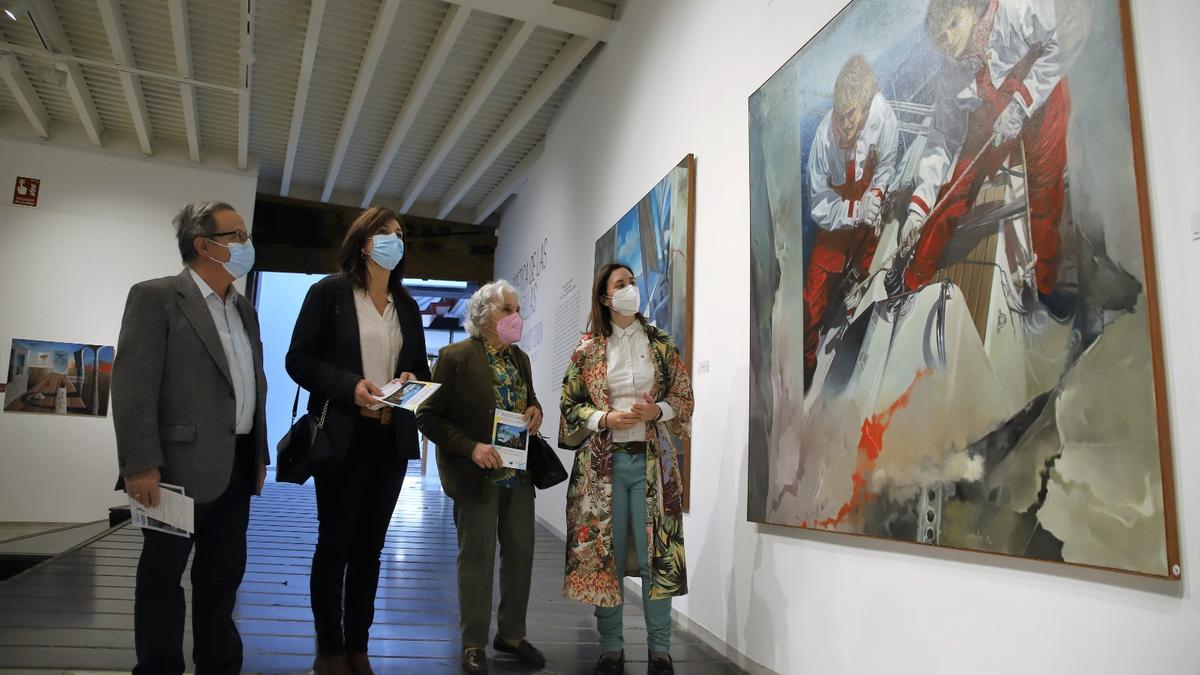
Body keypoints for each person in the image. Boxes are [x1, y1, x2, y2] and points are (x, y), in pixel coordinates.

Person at [112, 201, 268, 675]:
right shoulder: (156, 297)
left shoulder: (244, 310)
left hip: (236, 467)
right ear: (204, 245)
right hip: (174, 471)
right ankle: (158, 668)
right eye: (236, 235)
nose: (246, 244)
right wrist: (139, 463)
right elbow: (133, 385)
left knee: (222, 579)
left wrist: (258, 454)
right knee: (162, 576)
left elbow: (251, 385)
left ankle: (219, 665)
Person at [286, 207, 431, 675]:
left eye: (401, 235)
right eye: (386, 233)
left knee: (371, 548)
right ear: (363, 243)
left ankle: (359, 647)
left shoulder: (406, 306)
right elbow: (299, 360)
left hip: (390, 442)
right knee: (335, 545)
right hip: (342, 438)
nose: (396, 240)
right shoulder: (327, 294)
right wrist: (350, 385)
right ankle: (329, 648)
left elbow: (422, 374)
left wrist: (410, 379)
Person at [559, 263, 694, 675]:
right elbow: (569, 405)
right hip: (603, 470)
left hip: (654, 464)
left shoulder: (661, 344)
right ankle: (611, 649)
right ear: (605, 297)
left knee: (660, 557)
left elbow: (684, 398)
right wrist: (603, 418)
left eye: (633, 282)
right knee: (607, 558)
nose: (630, 288)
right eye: (621, 284)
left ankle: (660, 651)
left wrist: (658, 410)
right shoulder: (587, 349)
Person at [901, 0, 1070, 316]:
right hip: (991, 120)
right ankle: (912, 279)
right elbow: (942, 139)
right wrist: (917, 205)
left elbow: (1061, 39)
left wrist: (1021, 104)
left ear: (969, 7)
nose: (948, 39)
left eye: (953, 23)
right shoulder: (950, 77)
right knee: (953, 195)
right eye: (939, 36)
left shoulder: (1016, 11)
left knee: (1045, 196)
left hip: (1042, 106)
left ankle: (1045, 288)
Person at [416, 280, 546, 675]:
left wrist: (535, 411)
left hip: (518, 473)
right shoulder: (456, 356)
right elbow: (427, 415)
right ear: (486, 314)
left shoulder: (519, 359)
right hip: (477, 475)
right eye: (509, 309)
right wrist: (471, 447)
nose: (516, 316)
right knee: (477, 558)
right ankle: (473, 641)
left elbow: (527, 400)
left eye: (517, 309)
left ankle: (511, 634)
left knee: (520, 554)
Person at [803, 54, 899, 391]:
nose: (844, 126)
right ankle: (807, 367)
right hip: (833, 224)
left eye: (851, 117)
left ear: (866, 105)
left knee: (870, 279)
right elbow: (818, 204)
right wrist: (854, 210)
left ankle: (855, 351)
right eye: (839, 116)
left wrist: (877, 192)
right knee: (810, 303)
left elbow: (887, 163)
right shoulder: (823, 140)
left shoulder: (883, 117)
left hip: (866, 216)